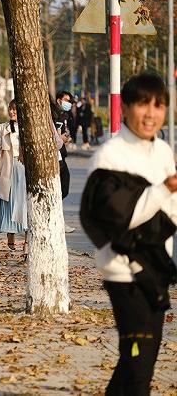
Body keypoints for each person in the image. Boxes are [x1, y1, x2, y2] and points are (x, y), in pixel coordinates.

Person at [80, 73, 177, 395]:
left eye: (159, 105)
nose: (151, 113)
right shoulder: (110, 156)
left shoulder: (163, 150)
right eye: (143, 104)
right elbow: (121, 221)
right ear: (127, 108)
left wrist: (167, 196)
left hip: (156, 267)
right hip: (123, 270)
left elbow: (171, 212)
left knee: (139, 361)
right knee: (138, 361)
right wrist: (164, 189)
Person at [0, 99, 28, 254]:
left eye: (15, 109)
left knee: (25, 203)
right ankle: (10, 234)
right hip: (9, 169)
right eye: (10, 109)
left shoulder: (28, 128)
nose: (12, 112)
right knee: (9, 201)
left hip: (25, 170)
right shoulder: (2, 129)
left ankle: (27, 241)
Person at [50, 91, 75, 233]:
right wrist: (61, 138)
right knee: (60, 189)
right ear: (59, 100)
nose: (68, 103)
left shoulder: (65, 116)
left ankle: (57, 219)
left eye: (70, 101)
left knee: (63, 189)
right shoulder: (54, 115)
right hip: (56, 156)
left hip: (61, 155)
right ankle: (57, 221)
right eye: (66, 100)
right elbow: (54, 135)